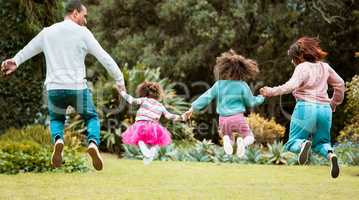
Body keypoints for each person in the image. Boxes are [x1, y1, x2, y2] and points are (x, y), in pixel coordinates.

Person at [0, 0, 126, 171]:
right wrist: (119, 79)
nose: (86, 20)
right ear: (75, 13)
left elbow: (29, 49)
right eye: (84, 16)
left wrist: (15, 61)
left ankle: (58, 140)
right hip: (77, 88)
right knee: (91, 117)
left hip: (54, 89)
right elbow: (104, 57)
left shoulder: (47, 32)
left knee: (56, 119)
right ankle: (93, 144)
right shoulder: (83, 33)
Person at [260, 37, 345, 178]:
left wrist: (271, 91)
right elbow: (340, 84)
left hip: (306, 108)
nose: (292, 62)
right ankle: (331, 155)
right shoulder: (325, 67)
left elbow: (291, 86)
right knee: (322, 143)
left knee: (292, 142)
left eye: (293, 59)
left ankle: (302, 145)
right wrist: (334, 103)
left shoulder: (302, 67)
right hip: (325, 109)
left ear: (299, 56)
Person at [183, 50, 264, 158]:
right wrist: (262, 97)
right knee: (250, 137)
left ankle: (226, 139)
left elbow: (206, 97)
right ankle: (243, 143)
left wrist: (192, 108)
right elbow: (251, 102)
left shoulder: (219, 85)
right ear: (242, 71)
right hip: (237, 118)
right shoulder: (242, 85)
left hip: (223, 120)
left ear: (225, 69)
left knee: (228, 137)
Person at [118, 81, 185, 164]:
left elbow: (132, 100)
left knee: (141, 140)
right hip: (153, 126)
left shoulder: (144, 100)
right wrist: (181, 117)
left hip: (141, 124)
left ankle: (147, 155)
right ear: (158, 94)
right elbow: (169, 115)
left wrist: (122, 93)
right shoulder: (160, 106)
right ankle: (149, 155)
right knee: (153, 143)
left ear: (145, 92)